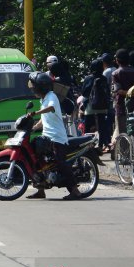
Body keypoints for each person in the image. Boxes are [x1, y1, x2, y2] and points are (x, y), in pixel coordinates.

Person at [25, 72, 82, 200]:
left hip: (57, 138)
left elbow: (50, 108)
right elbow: (44, 119)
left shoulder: (52, 97)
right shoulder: (43, 99)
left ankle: (75, 190)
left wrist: (35, 112)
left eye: (33, 85)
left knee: (60, 162)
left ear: (40, 86)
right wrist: (33, 128)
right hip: (46, 136)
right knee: (37, 160)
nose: (32, 88)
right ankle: (41, 189)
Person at [111, 49, 134, 146]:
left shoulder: (116, 73)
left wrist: (131, 94)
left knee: (123, 134)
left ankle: (126, 158)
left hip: (122, 108)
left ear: (117, 60)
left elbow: (118, 91)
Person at [79, 59, 111, 153]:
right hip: (102, 107)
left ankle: (89, 148)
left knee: (88, 128)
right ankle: (101, 146)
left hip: (90, 107)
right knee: (102, 127)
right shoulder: (104, 78)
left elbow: (84, 93)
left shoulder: (88, 78)